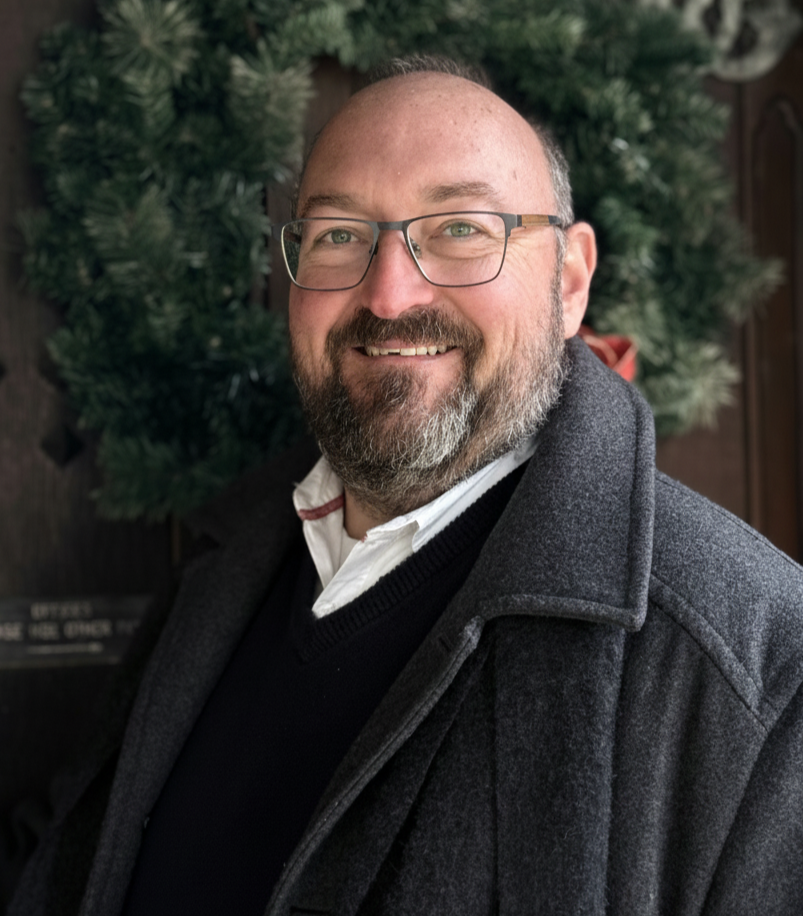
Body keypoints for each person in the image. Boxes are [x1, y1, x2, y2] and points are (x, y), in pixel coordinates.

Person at [9, 55, 803, 916]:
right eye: (339, 234)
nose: (388, 295)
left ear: (569, 281)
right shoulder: (220, 573)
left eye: (460, 228)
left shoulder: (756, 672)